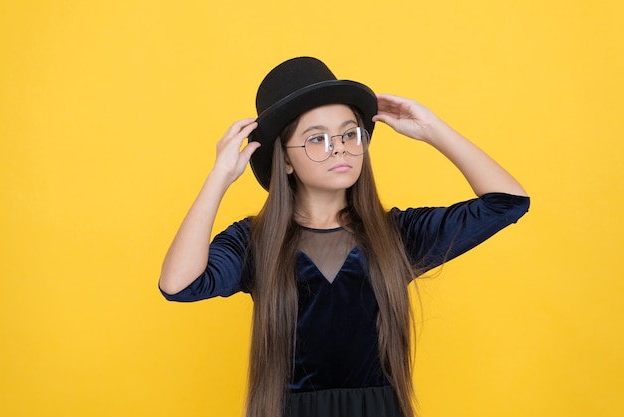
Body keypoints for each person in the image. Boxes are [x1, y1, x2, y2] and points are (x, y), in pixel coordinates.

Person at [158, 57, 530, 417]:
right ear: (285, 160)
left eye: (349, 133)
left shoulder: (395, 235)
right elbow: (178, 284)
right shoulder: (254, 242)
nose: (338, 147)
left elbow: (508, 203)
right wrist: (218, 178)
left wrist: (434, 130)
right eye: (316, 138)